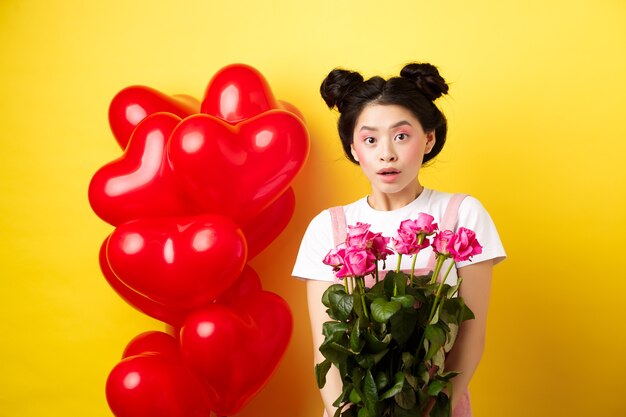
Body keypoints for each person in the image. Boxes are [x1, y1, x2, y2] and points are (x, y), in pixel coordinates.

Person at [292, 62, 506, 417]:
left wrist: (430, 407)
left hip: (437, 406)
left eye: (401, 136)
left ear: (429, 138)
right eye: (370, 139)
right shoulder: (328, 228)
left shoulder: (462, 215)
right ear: (353, 147)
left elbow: (471, 336)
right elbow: (326, 349)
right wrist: (342, 410)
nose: (386, 153)